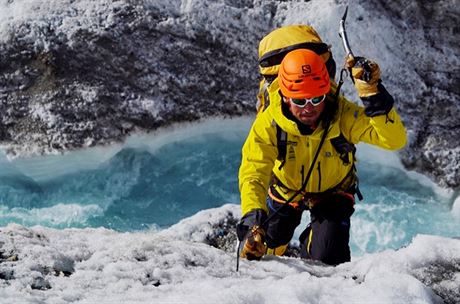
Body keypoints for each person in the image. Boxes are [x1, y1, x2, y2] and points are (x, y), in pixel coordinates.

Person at [237, 48, 407, 265]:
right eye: (300, 101)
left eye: (317, 98)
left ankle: (312, 245)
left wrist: (374, 95)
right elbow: (254, 170)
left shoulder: (342, 115)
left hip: (333, 191)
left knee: (328, 258)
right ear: (285, 97)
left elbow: (394, 140)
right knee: (264, 247)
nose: (309, 108)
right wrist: (252, 215)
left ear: (326, 92)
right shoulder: (270, 123)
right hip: (286, 188)